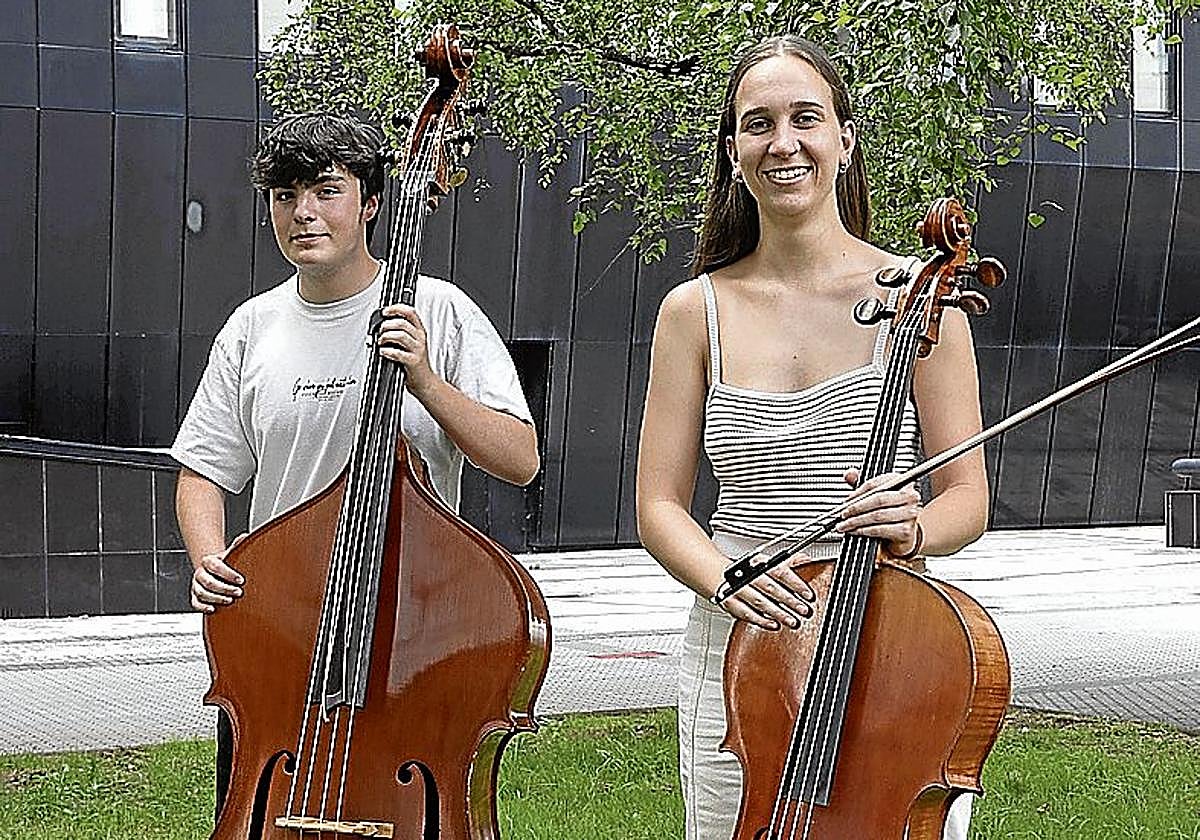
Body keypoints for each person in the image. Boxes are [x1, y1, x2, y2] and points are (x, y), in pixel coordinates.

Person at [635, 36, 989, 840]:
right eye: (758, 125)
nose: (783, 143)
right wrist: (725, 580)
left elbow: (967, 500)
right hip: (736, 647)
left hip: (887, 638)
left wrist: (914, 524)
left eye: (806, 119)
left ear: (844, 139)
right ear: (733, 153)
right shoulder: (694, 311)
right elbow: (659, 505)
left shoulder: (917, 299)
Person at [170, 112, 539, 811]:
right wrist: (209, 557)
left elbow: (519, 458)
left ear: (372, 202)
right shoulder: (253, 327)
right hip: (278, 640)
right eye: (285, 195)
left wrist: (426, 380)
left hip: (410, 634)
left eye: (325, 191)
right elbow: (204, 469)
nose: (302, 213)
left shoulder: (440, 310)